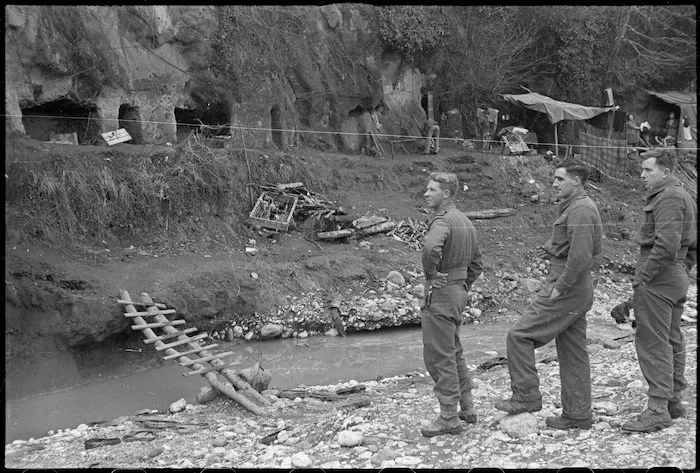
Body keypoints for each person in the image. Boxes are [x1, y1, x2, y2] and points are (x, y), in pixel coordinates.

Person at [495, 160, 603, 430]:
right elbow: (572, 248)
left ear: (576, 181)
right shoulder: (575, 207)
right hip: (575, 288)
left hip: (568, 287)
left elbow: (581, 257)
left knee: (519, 335)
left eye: (559, 179)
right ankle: (578, 415)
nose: (554, 183)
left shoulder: (580, 210)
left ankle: (526, 396)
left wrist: (559, 287)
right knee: (573, 350)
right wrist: (553, 250)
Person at [621, 149, 697, 433]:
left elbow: (666, 245)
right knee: (671, 338)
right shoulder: (681, 195)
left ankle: (657, 409)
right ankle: (672, 402)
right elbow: (690, 245)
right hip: (673, 275)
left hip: (660, 276)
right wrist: (682, 271)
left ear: (665, 172)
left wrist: (644, 278)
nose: (642, 175)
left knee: (653, 341)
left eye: (648, 170)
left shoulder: (669, 197)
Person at [420, 172, 483, 437]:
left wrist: (432, 275)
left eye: (432, 190)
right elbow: (477, 264)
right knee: (454, 350)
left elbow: (431, 246)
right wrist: (462, 282)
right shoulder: (466, 221)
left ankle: (448, 416)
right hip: (458, 291)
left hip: (442, 293)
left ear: (445, 195)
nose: (426, 193)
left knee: (438, 355)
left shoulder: (442, 220)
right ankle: (466, 407)